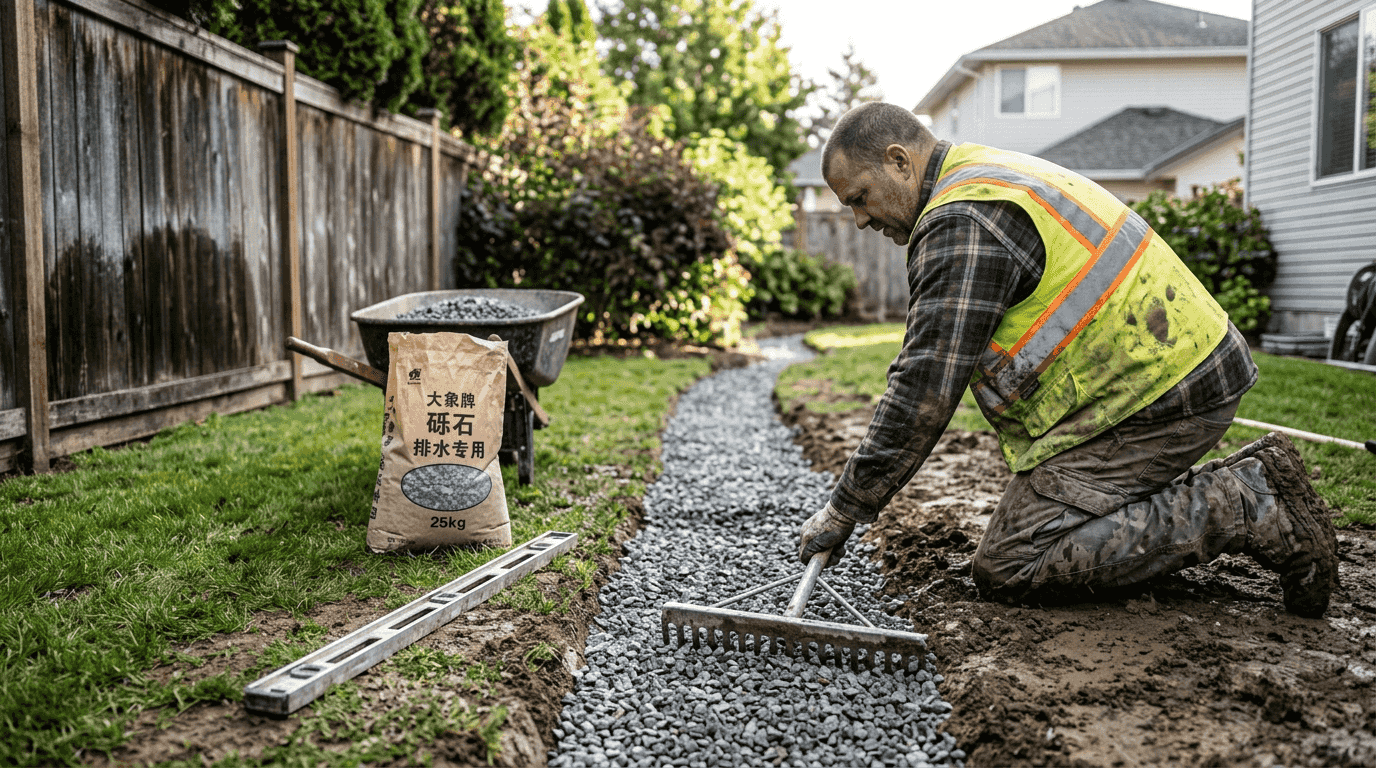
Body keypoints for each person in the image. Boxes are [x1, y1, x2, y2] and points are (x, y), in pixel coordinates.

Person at [796, 102, 1339, 617]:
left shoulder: (961, 221)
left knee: (1012, 563)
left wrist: (848, 507)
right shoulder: (982, 173)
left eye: (859, 198)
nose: (860, 220)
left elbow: (924, 388)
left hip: (1161, 397)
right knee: (1031, 533)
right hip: (1172, 374)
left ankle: (1244, 502)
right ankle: (1228, 494)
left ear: (899, 161)